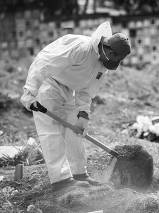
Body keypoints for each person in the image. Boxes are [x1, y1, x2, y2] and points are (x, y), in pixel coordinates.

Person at [20, 22, 131, 192]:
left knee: (75, 133)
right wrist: (30, 92)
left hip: (69, 90)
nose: (116, 62)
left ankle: (80, 174)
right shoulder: (81, 48)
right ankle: (61, 181)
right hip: (49, 84)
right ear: (107, 50)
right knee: (52, 133)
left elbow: (86, 92)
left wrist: (83, 115)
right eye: (116, 58)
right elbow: (44, 63)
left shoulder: (103, 65)